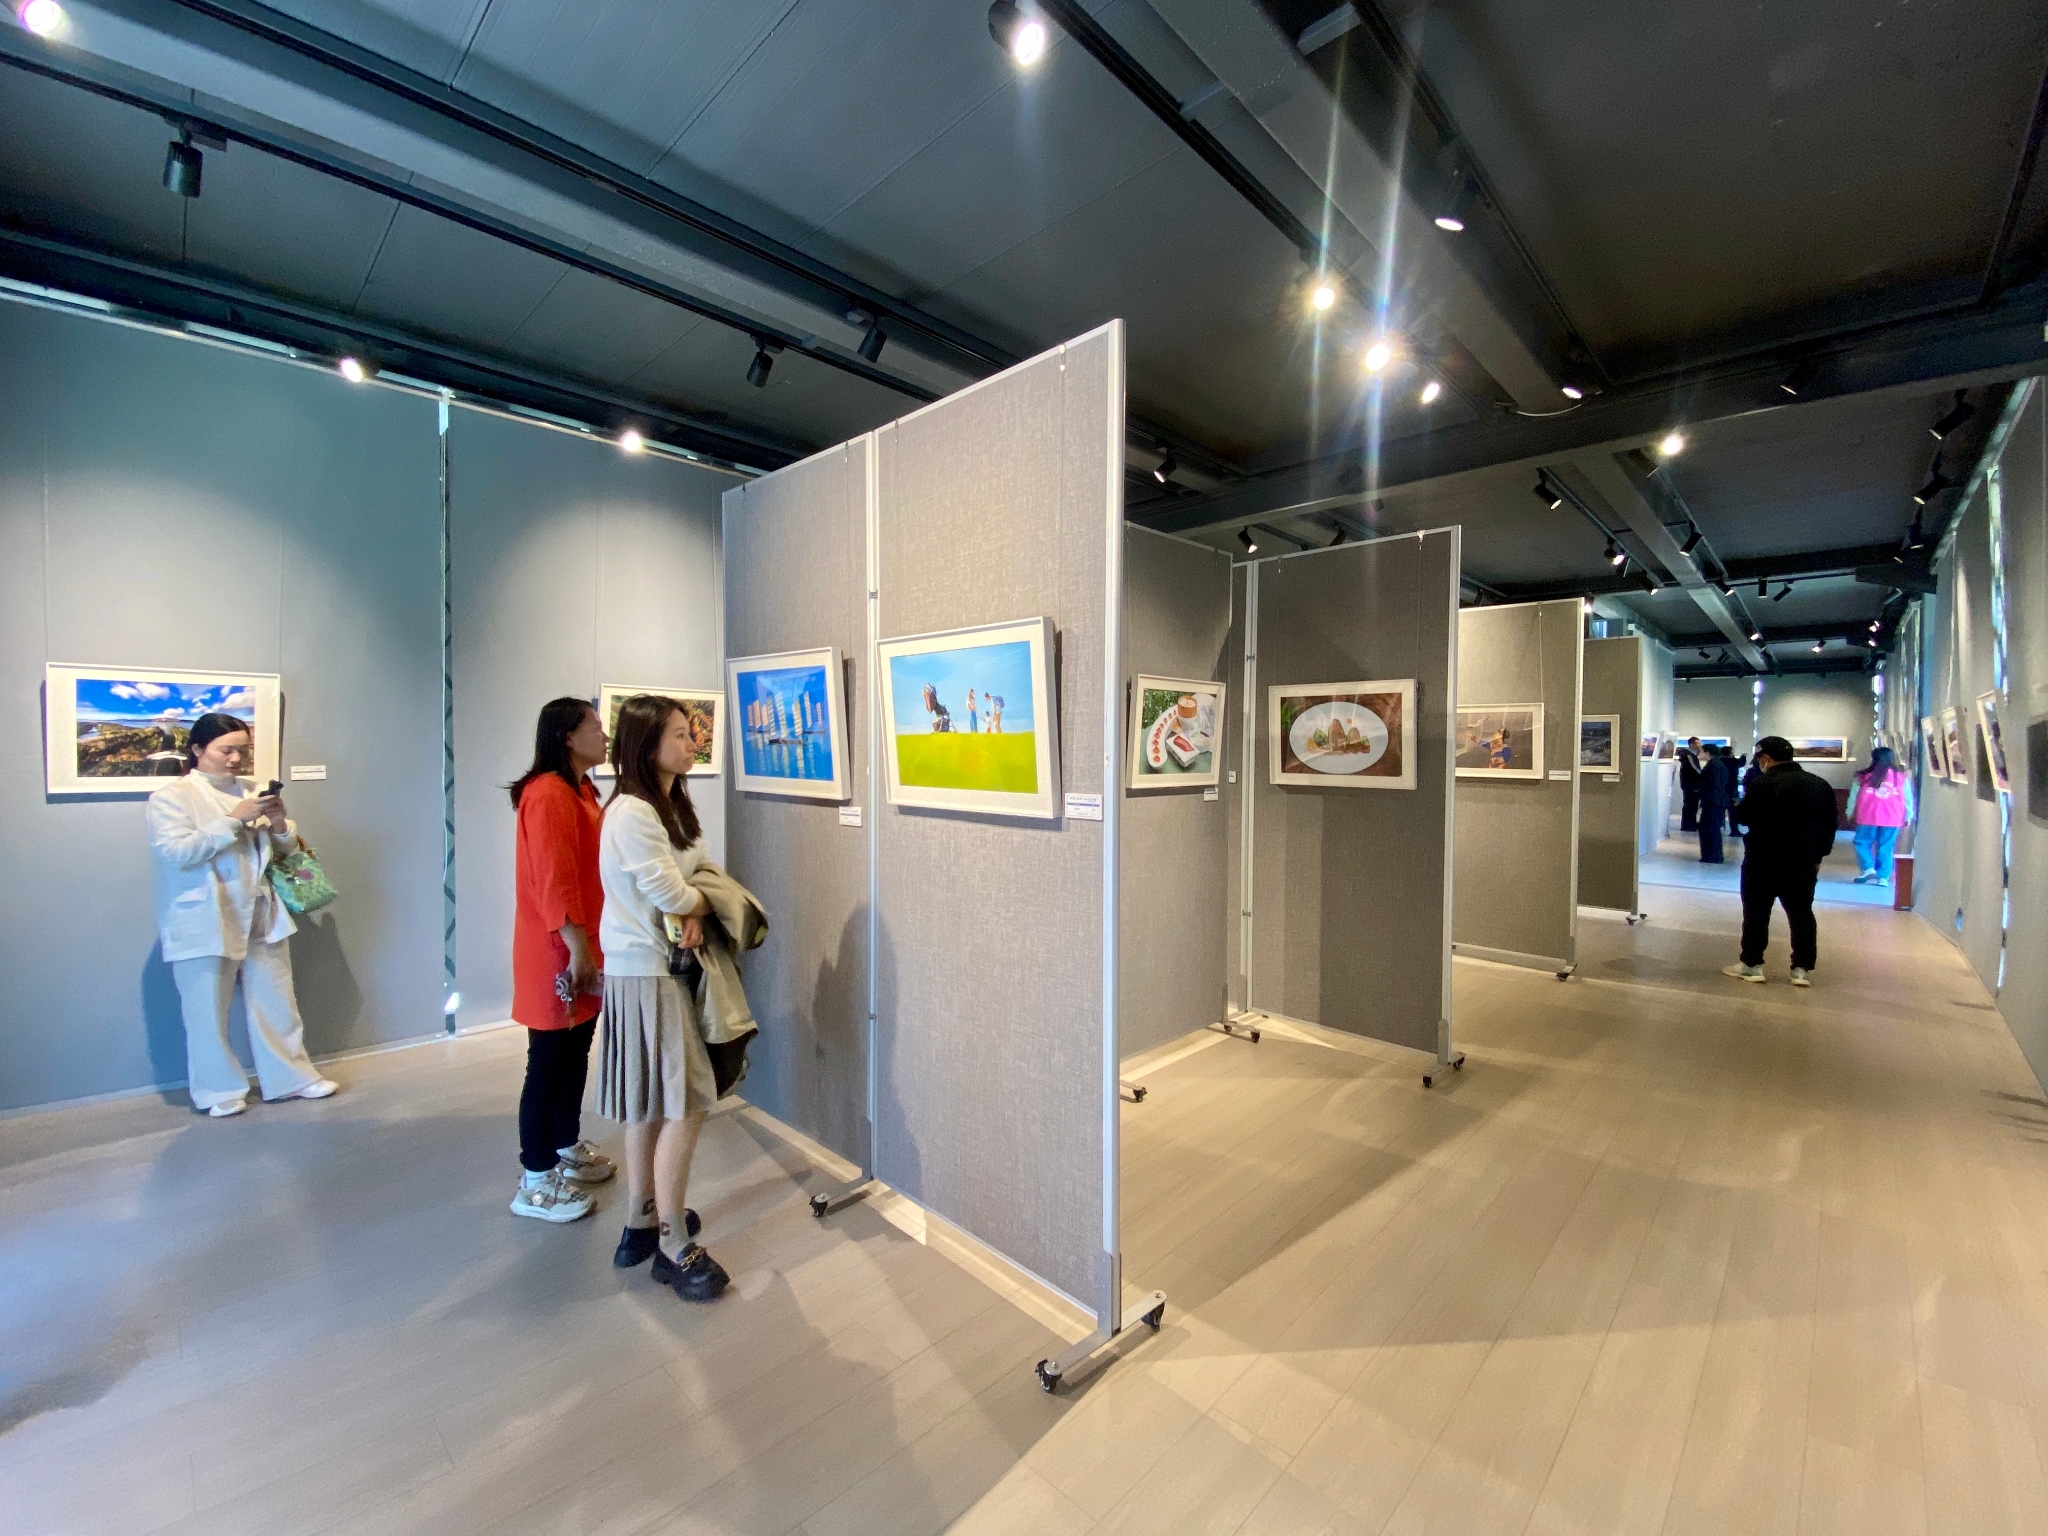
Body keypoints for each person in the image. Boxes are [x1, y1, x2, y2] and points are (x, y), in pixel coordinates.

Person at [594, 695, 728, 1301]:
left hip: (653, 969)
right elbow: (675, 891)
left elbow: (698, 873)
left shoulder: (667, 805)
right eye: (679, 734)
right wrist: (700, 904)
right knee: (686, 1101)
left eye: (691, 732)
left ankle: (640, 1221)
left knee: (651, 1100)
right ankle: (673, 1244)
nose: (692, 743)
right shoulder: (635, 813)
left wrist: (693, 900)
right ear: (648, 745)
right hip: (647, 972)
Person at [146, 712, 339, 1117]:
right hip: (204, 916)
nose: (235, 758)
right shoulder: (172, 797)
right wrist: (234, 820)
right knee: (205, 1011)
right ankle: (218, 1091)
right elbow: (177, 853)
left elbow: (285, 851)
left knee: (278, 1002)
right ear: (197, 749)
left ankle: (292, 1078)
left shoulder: (252, 791)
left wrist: (279, 820)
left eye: (241, 750)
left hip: (261, 910)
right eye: (226, 750)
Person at [506, 698, 618, 1224]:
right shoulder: (548, 792)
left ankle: (564, 1144)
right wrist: (576, 949)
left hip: (585, 942)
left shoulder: (582, 788)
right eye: (595, 727)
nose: (605, 735)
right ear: (567, 737)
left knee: (576, 1052)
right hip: (559, 947)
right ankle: (534, 1178)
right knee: (548, 1060)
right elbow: (554, 879)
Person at [1724, 735, 1840, 986]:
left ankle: (1752, 965)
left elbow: (1744, 817)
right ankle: (1802, 969)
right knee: (1801, 914)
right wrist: (1819, 856)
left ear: (1766, 758)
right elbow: (1830, 825)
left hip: (1762, 859)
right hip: (1802, 861)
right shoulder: (1818, 784)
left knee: (1756, 913)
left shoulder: (1761, 784)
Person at [1847, 745, 1913, 885]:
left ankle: (1868, 868)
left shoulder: (1863, 777)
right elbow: (1907, 798)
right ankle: (1883, 877)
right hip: (1892, 816)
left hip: (1867, 815)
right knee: (1886, 846)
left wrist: (1849, 812)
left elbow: (1853, 797)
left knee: (1861, 842)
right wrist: (1908, 816)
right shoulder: (1900, 778)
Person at [1697, 744, 1736, 863]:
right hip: (1715, 800)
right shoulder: (1716, 764)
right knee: (1710, 828)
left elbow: (1713, 784)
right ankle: (1711, 855)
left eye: (1701, 751)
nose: (1699, 754)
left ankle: (1712, 856)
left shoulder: (1714, 766)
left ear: (1707, 753)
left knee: (1710, 828)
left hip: (1713, 801)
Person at [1678, 736, 1703, 831]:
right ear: (1691, 744)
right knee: (1691, 805)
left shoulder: (1690, 755)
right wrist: (1703, 776)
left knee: (1691, 805)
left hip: (1690, 783)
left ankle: (1690, 823)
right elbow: (1694, 769)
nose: (1699, 745)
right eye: (1698, 743)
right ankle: (1688, 825)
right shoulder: (1688, 755)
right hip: (1691, 784)